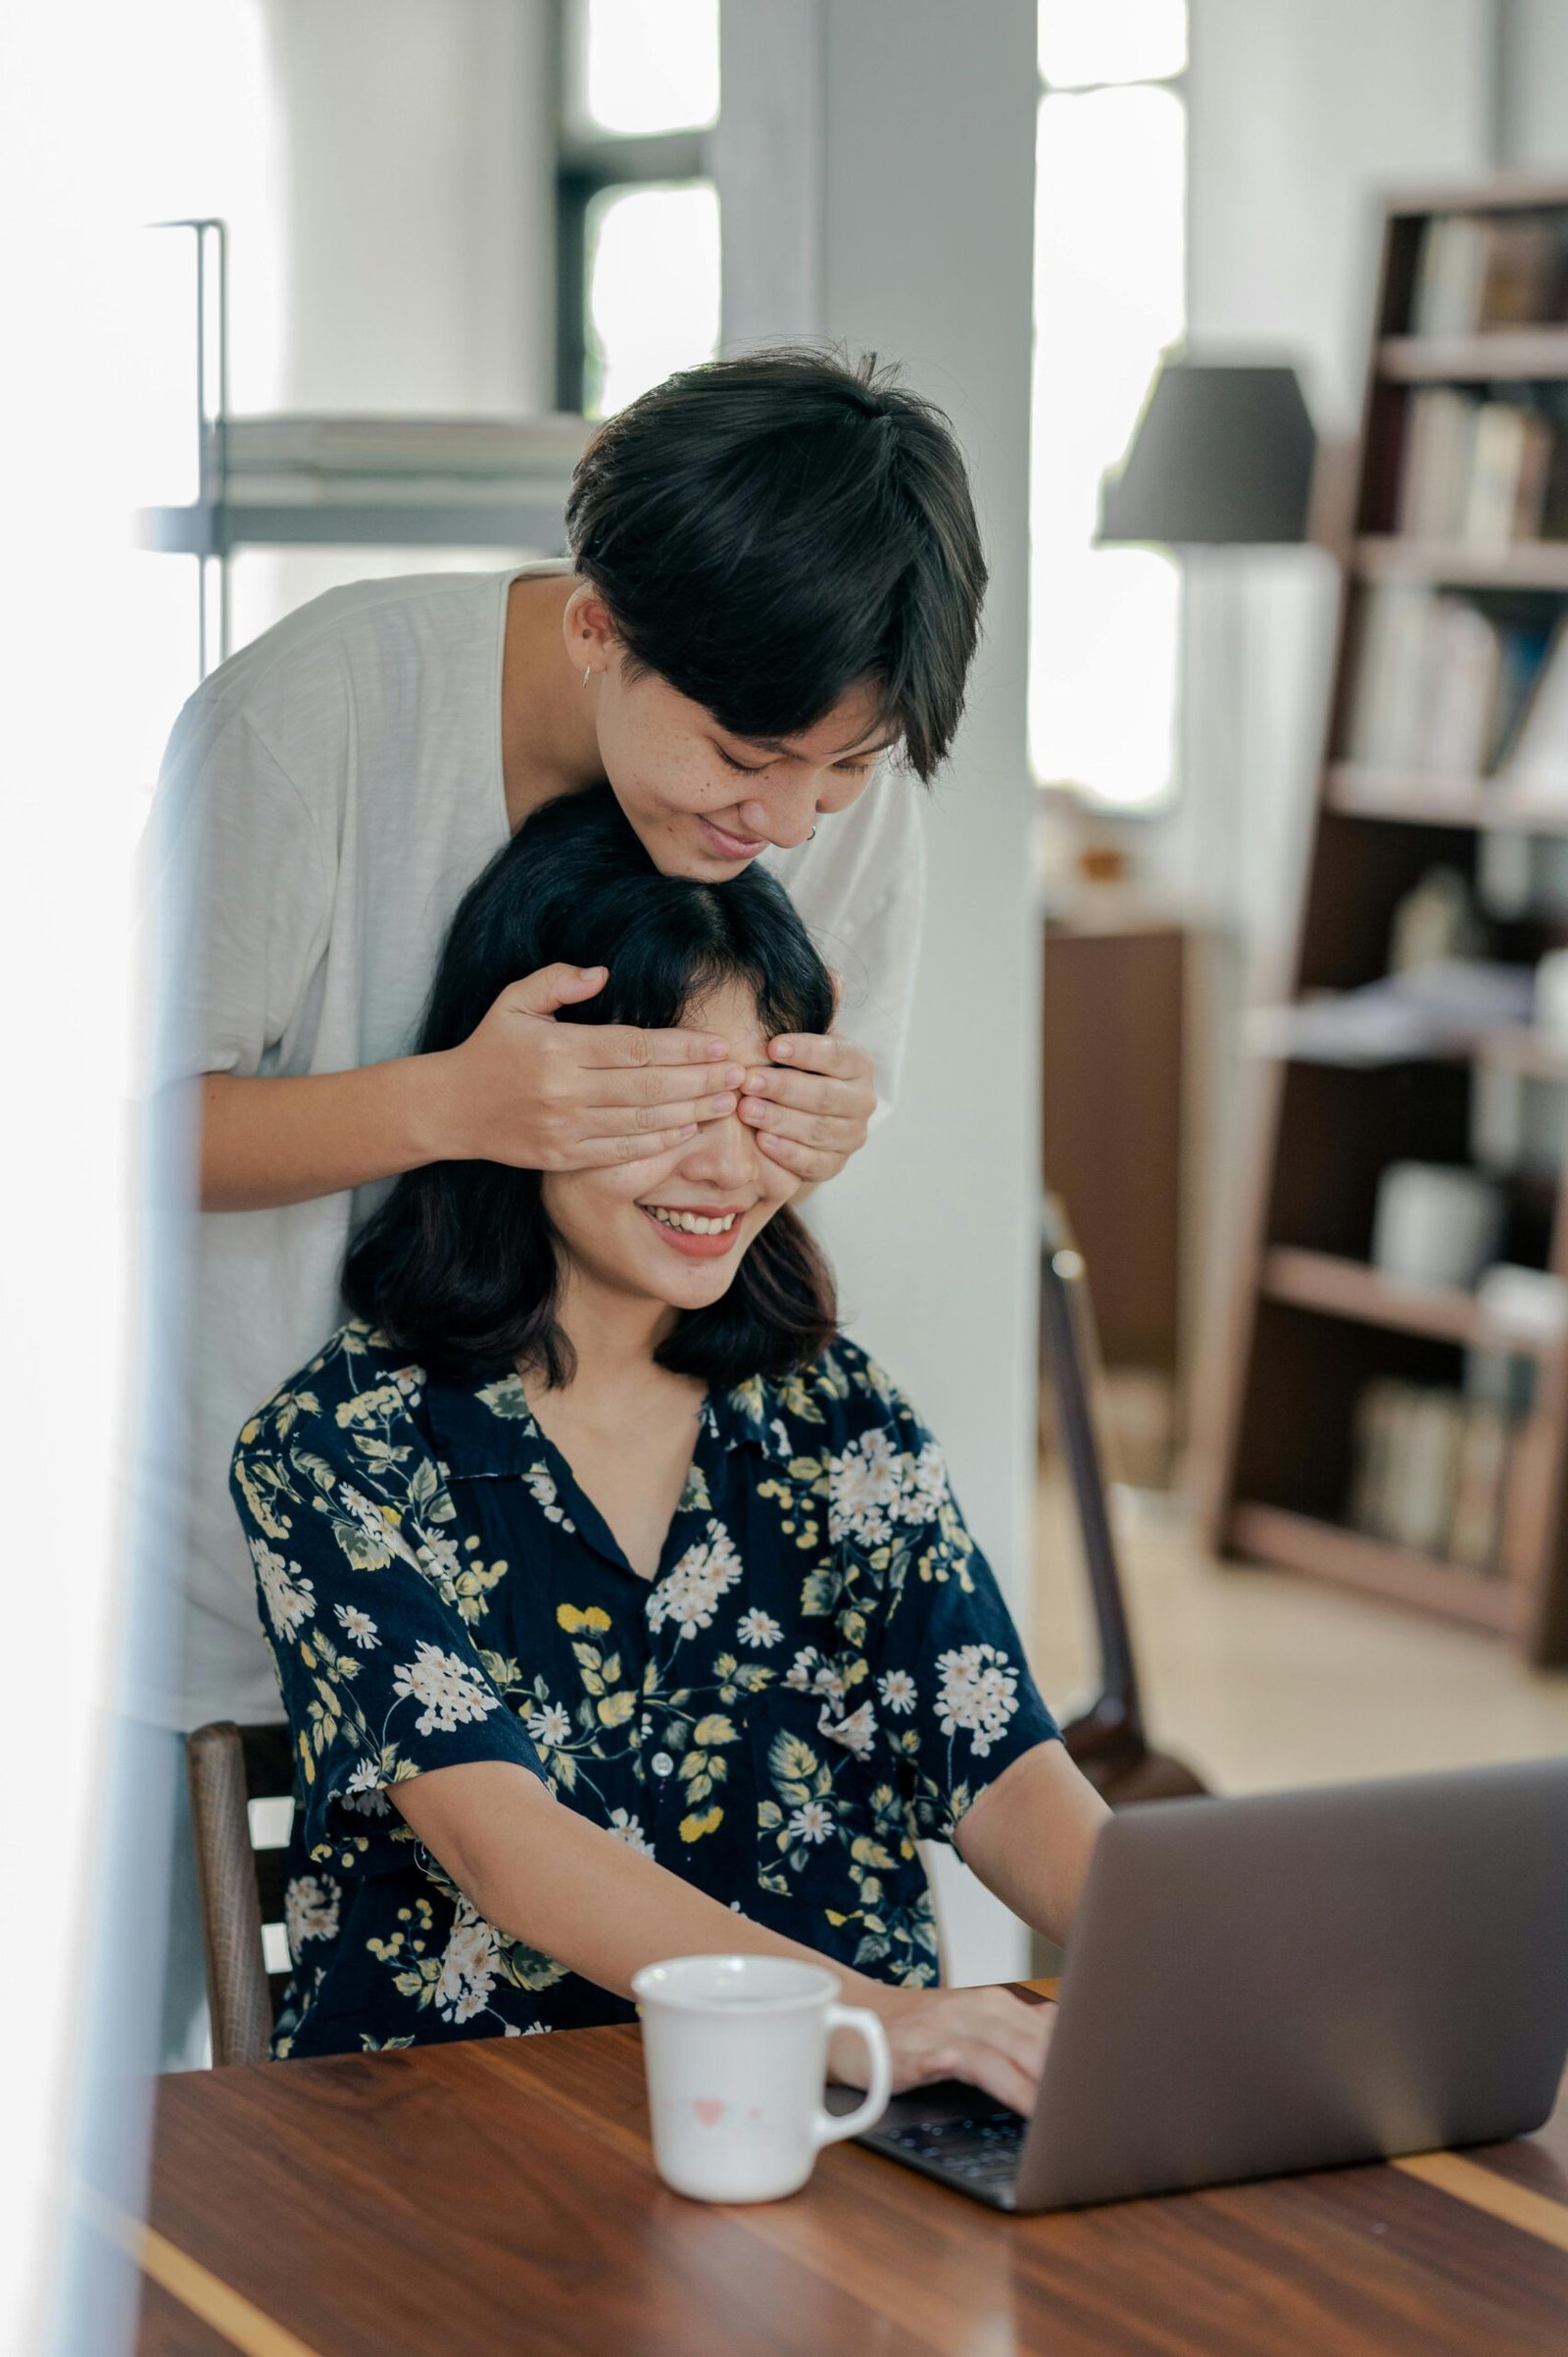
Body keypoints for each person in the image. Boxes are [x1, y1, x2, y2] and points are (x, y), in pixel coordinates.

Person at [230, 789, 1107, 2110]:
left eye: (762, 1103)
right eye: (666, 1100)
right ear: (527, 1090)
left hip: (842, 2133)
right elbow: (508, 1847)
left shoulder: (837, 1417)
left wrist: (1189, 1955)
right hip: (470, 2155)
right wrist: (880, 2022)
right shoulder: (337, 1450)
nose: (723, 1166)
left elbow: (1005, 1766)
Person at [154, 347, 988, 1735]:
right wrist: (456, 1104)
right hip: (229, 1561)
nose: (787, 826)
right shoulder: (318, 721)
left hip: (571, 1595)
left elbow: (759, 1148)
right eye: (742, 755)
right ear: (597, 627)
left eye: (845, 771)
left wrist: (809, 1134)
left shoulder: (831, 784)